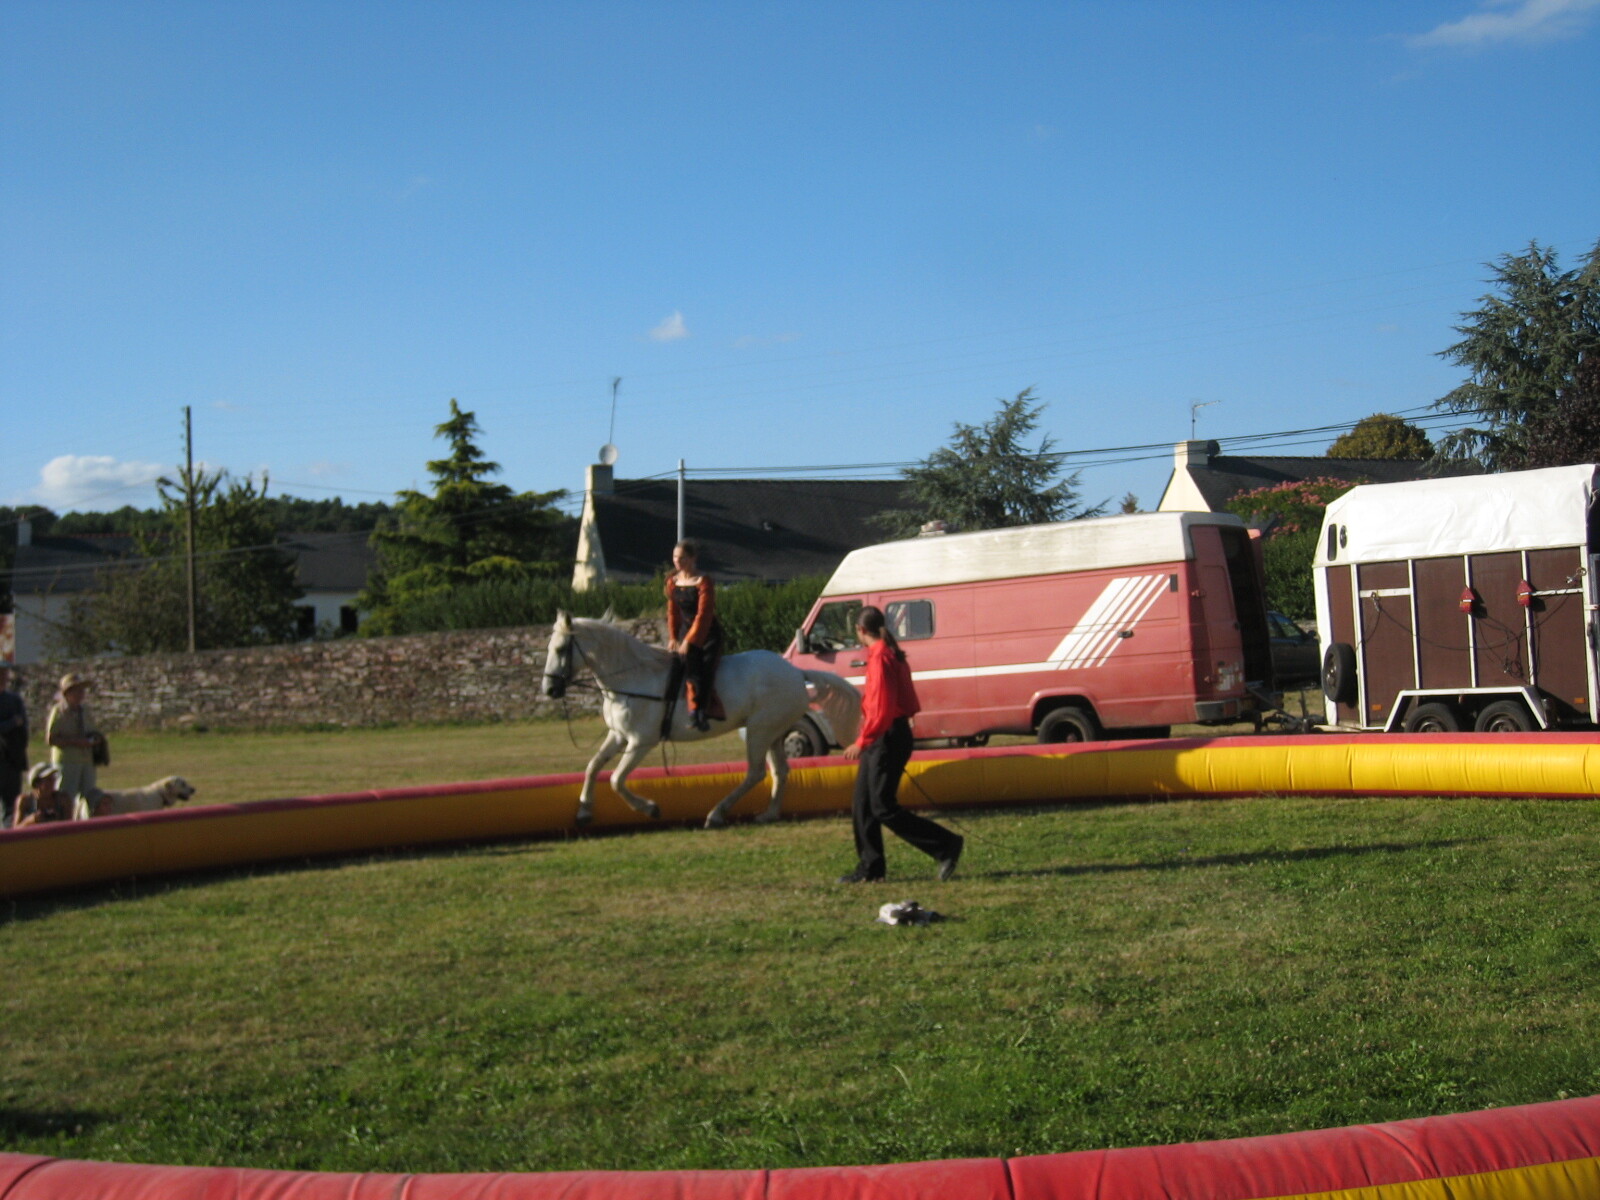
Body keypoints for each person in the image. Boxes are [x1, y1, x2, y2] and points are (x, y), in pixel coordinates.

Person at [837, 606, 964, 884]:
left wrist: (862, 740)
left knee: (882, 806)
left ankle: (945, 844)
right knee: (863, 804)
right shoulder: (885, 653)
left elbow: (881, 708)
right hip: (886, 734)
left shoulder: (881, 657)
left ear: (860, 630)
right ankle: (871, 868)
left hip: (887, 736)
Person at [664, 538, 725, 732]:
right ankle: (669, 711)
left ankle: (700, 713)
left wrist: (689, 641)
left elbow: (704, 615)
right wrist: (673, 638)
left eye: (682, 558)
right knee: (676, 667)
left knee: (703, 670)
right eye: (675, 557)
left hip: (707, 635)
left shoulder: (703, 581)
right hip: (685, 633)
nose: (677, 561)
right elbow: (673, 613)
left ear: (692, 559)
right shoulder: (672, 582)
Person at [46, 672, 99, 818]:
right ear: (67, 693)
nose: (81, 694)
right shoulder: (58, 711)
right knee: (65, 798)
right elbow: (51, 739)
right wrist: (75, 742)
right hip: (67, 761)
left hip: (86, 760)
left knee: (90, 797)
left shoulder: (85, 710)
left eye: (82, 690)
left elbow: (93, 730)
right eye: (77, 690)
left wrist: (94, 740)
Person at [0, 663, 27, 827]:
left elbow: (23, 724)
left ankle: (9, 836)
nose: (3, 677)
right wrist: (11, 723)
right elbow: (16, 722)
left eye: (4, 673)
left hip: (12, 758)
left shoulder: (14, 700)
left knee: (12, 805)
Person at [13, 762, 70, 827]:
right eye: (48, 780)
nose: (53, 782)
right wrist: (30, 820)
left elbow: (70, 827)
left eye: (53, 779)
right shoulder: (25, 801)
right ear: (37, 783)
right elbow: (15, 830)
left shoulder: (63, 799)